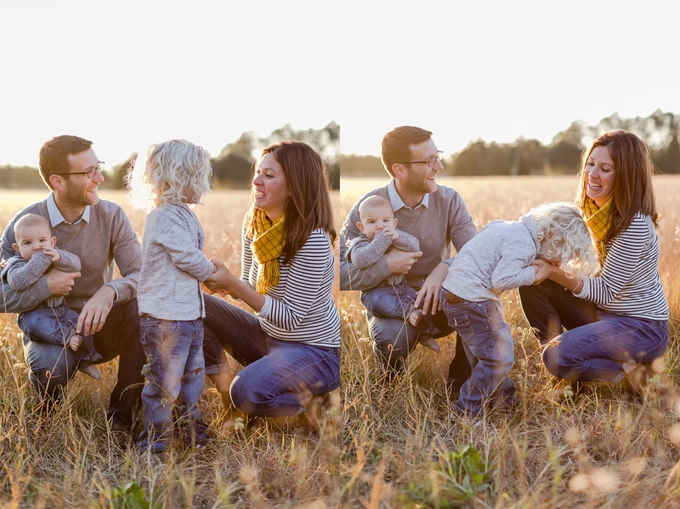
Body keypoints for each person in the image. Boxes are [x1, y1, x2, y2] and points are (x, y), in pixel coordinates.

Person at [0, 135, 145, 432]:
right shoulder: (24, 225)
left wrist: (110, 290)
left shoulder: (112, 215)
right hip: (49, 328)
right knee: (51, 369)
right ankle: (47, 414)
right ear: (58, 182)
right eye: (88, 172)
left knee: (143, 309)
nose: (100, 178)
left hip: (101, 324)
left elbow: (142, 275)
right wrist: (45, 288)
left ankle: (122, 416)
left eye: (98, 167)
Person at [520, 131, 669, 396]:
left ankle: (632, 373)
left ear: (626, 176)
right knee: (534, 283)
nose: (592, 174)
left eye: (605, 168)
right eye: (590, 164)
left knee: (556, 355)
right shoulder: (594, 213)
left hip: (641, 326)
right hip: (605, 314)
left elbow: (604, 291)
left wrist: (555, 272)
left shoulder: (634, 225)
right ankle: (570, 373)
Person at [202, 140, 340, 425]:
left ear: (294, 186)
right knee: (198, 305)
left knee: (248, 390)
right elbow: (251, 288)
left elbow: (290, 318)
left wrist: (236, 285)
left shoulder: (313, 240)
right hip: (269, 337)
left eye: (269, 175)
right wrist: (222, 284)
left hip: (315, 351)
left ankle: (313, 406)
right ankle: (233, 402)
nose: (256, 180)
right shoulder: (255, 223)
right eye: (258, 172)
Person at [340, 126, 477, 392]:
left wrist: (445, 268)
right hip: (391, 302)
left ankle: (460, 383)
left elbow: (477, 256)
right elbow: (337, 274)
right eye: (429, 161)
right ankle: (391, 376)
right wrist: (386, 266)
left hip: (440, 298)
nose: (439, 166)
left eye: (437, 156)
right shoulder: (368, 208)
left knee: (479, 302)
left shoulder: (449, 200)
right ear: (400, 170)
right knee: (394, 339)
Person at [440, 202, 599, 417]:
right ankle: (466, 411)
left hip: (453, 294)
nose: (558, 263)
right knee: (499, 358)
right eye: (561, 254)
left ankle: (503, 399)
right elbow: (501, 279)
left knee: (483, 352)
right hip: (473, 300)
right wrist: (536, 272)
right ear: (551, 234)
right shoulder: (524, 244)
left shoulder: (506, 226)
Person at [127, 139, 217, 453]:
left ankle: (192, 434)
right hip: (166, 319)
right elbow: (186, 257)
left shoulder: (181, 213)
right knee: (164, 384)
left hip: (188, 315)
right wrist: (212, 273)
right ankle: (156, 444)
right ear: (179, 178)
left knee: (192, 379)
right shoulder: (164, 216)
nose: (204, 185)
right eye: (199, 178)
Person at [2, 213, 102, 380]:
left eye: (42, 241)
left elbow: (76, 264)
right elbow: (19, 281)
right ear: (17, 248)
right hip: (34, 314)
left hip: (61, 310)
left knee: (82, 324)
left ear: (52, 242)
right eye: (28, 243)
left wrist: (59, 256)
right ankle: (68, 337)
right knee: (35, 326)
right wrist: (42, 258)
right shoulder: (16, 263)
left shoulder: (54, 254)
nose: (36, 247)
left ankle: (85, 359)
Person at [345, 194, 440, 353]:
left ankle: (424, 333)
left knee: (421, 300)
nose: (380, 226)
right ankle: (409, 313)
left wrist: (398, 236)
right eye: (372, 222)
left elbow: (415, 246)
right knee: (378, 303)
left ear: (394, 223)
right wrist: (383, 239)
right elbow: (362, 260)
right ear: (361, 227)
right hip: (376, 292)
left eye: (385, 221)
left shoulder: (395, 236)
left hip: (401, 287)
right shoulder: (359, 243)